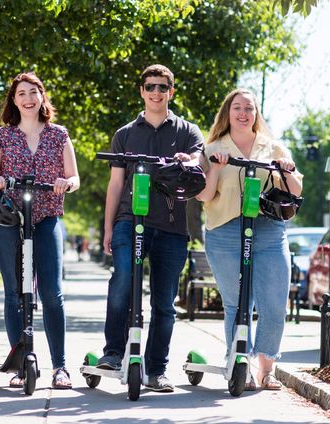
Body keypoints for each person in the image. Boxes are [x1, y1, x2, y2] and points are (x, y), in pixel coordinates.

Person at [99, 64, 204, 392]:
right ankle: (114, 352)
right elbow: (115, 185)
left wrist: (188, 161)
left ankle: (156, 369)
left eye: (162, 87)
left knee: (164, 303)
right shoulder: (125, 134)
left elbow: (198, 163)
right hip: (129, 221)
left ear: (171, 92)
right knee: (122, 282)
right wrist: (107, 228)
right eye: (150, 87)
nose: (156, 92)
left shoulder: (188, 131)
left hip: (171, 227)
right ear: (142, 91)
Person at [196, 88, 303, 390]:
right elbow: (203, 195)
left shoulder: (273, 147)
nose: (243, 113)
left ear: (256, 114)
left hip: (268, 230)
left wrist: (287, 170)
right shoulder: (213, 147)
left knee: (273, 304)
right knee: (237, 303)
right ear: (227, 113)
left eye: (249, 108)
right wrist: (215, 168)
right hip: (225, 230)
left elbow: (295, 191)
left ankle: (266, 369)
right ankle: (238, 362)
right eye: (237, 108)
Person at [0, 72, 80, 389]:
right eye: (21, 93)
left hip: (47, 216)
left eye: (33, 92)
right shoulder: (1, 136)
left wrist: (67, 183)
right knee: (15, 293)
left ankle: (60, 367)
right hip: (10, 220)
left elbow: (74, 178)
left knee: (51, 291)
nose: (27, 98)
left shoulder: (59, 135)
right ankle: (19, 366)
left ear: (42, 96)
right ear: (14, 100)